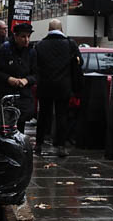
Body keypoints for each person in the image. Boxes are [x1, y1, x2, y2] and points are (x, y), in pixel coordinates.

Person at [34, 18, 81, 156]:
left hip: (45, 86)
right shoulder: (70, 44)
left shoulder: (40, 45)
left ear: (49, 30)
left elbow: (35, 66)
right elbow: (79, 62)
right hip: (63, 86)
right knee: (62, 116)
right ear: (61, 30)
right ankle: (61, 146)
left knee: (43, 115)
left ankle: (39, 144)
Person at [0, 22, 38, 133]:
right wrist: (9, 79)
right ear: (15, 36)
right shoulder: (4, 50)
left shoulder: (31, 52)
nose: (26, 40)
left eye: (28, 37)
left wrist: (26, 80)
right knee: (4, 128)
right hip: (5, 96)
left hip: (22, 97)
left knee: (19, 127)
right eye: (23, 36)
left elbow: (36, 74)